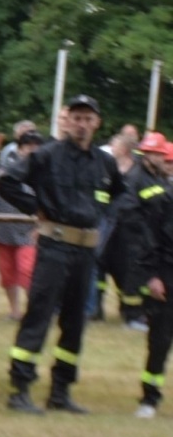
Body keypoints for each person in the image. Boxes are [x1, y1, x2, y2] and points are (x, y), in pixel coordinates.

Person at [0, 94, 126, 414]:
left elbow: (122, 195)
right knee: (38, 316)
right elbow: (7, 182)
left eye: (88, 119)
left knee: (74, 322)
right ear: (67, 120)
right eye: (77, 118)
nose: (82, 124)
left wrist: (104, 211)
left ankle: (61, 391)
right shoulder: (47, 156)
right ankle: (20, 390)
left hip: (85, 251)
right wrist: (35, 208)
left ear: (97, 123)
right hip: (54, 246)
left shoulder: (104, 162)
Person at [130, 132, 173, 417]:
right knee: (159, 340)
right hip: (167, 277)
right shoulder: (164, 200)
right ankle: (149, 399)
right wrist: (153, 276)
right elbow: (150, 241)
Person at [0, 130, 44, 319]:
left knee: (26, 270)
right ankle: (15, 311)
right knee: (7, 274)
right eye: (29, 148)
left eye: (36, 148)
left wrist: (39, 228)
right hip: (3, 230)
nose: (32, 152)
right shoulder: (4, 172)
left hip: (29, 231)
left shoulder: (45, 176)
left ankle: (35, 311)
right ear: (20, 149)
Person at [98, 131, 148, 330]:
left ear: (125, 149)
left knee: (127, 272)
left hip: (130, 232)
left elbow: (132, 201)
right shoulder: (111, 169)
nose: (112, 148)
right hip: (110, 229)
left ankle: (132, 314)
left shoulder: (138, 173)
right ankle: (95, 309)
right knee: (101, 268)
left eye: (115, 145)